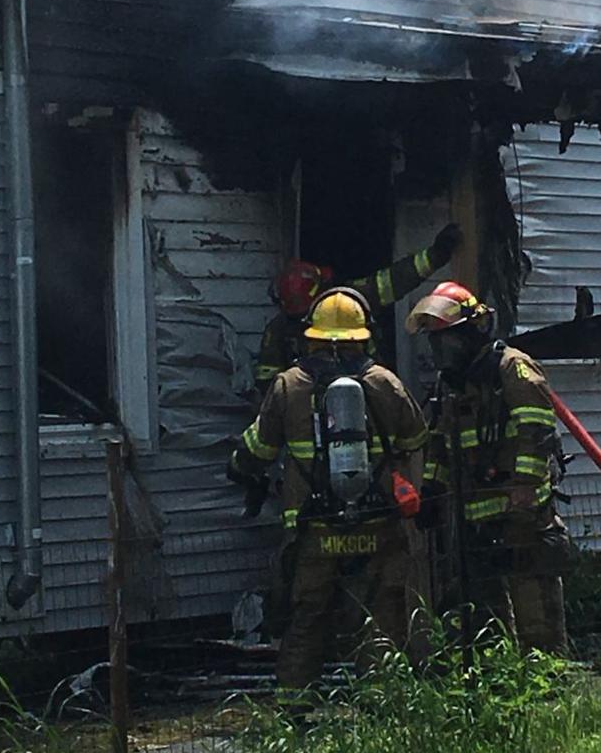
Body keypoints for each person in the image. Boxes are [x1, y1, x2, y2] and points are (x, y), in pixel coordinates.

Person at [229, 288, 428, 690]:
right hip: (378, 526)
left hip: (313, 529)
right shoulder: (385, 383)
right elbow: (415, 439)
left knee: (307, 618)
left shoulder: (289, 386)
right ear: (364, 335)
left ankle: (295, 708)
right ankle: (382, 701)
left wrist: (238, 467)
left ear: (311, 336)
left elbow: (258, 450)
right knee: (382, 615)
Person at [405, 281, 568, 656]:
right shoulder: (451, 386)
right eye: (434, 342)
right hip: (475, 517)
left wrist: (524, 487)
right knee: (485, 615)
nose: (439, 350)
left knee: (535, 610)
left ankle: (550, 686)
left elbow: (538, 430)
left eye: (446, 340)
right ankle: (500, 685)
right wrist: (431, 490)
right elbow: (442, 445)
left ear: (473, 331)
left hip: (521, 516)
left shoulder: (512, 368)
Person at [255, 223, 462, 394]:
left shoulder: (350, 300)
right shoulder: (280, 331)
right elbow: (267, 385)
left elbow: (394, 279)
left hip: (364, 396)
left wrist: (437, 254)